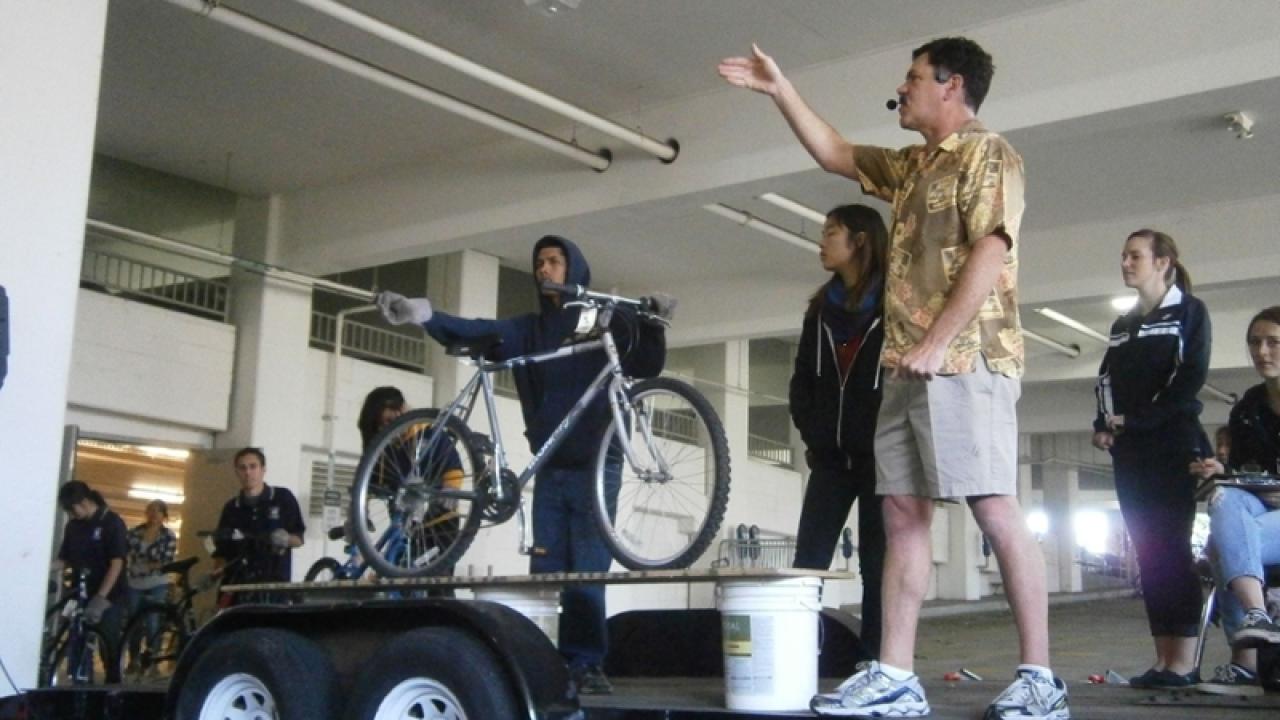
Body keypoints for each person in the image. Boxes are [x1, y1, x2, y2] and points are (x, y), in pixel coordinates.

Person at [720, 36, 1069, 719]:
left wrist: (940, 342)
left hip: (967, 360)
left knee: (993, 506)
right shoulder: (912, 167)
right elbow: (835, 153)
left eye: (913, 78)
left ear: (952, 84)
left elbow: (992, 249)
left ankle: (1041, 679)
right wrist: (779, 88)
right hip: (907, 366)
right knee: (901, 513)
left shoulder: (988, 154)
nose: (902, 88)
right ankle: (894, 675)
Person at [376, 235, 668, 695]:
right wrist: (427, 315)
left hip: (599, 462)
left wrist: (652, 322)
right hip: (550, 465)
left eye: (554, 261)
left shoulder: (601, 318)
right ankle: (544, 663)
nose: (544, 269)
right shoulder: (530, 329)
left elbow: (647, 363)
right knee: (546, 573)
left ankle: (587, 664)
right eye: (539, 263)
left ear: (574, 268)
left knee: (588, 570)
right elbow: (477, 329)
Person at [1091, 229, 1212, 688]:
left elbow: (1189, 378)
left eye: (1135, 255)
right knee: (1147, 552)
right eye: (1123, 255)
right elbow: (1106, 378)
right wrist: (1103, 425)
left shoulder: (1189, 312)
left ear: (1163, 262)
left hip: (1171, 444)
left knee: (1171, 548)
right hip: (1131, 451)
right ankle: (1163, 661)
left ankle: (1184, 661)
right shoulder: (1123, 324)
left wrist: (1136, 422)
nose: (1125, 262)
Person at [789, 203, 888, 658]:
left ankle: (874, 662)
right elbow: (801, 382)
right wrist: (816, 436)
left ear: (860, 241)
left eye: (831, 232)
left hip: (881, 462)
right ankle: (796, 653)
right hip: (829, 460)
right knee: (808, 562)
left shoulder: (894, 306)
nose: (821, 242)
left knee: (878, 566)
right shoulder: (819, 311)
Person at [1189, 306, 1280, 695]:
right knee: (1224, 498)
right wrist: (1219, 473)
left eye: (1273, 342)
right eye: (1254, 342)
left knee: (1223, 546)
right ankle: (1257, 614)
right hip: (1263, 513)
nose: (1262, 351)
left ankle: (1244, 664)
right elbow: (1245, 477)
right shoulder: (1248, 408)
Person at [356, 385, 461, 593]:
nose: (386, 430)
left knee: (437, 584)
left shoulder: (428, 432)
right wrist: (358, 513)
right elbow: (368, 483)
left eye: (389, 422)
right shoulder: (387, 449)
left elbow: (452, 465)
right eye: (381, 426)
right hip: (406, 530)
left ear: (402, 410)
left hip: (440, 523)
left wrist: (451, 488)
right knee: (399, 582)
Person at [54, 480, 128, 683]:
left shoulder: (111, 523)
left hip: (108, 594)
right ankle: (80, 683)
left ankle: (113, 685)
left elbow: (116, 564)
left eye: (72, 509)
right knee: (77, 643)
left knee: (108, 643)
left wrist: (101, 598)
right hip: (81, 591)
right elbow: (64, 559)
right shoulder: (74, 526)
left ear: (84, 502)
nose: (71, 513)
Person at [211, 447, 305, 603]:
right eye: (243, 468)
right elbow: (222, 552)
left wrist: (285, 539)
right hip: (237, 588)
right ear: (237, 472)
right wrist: (214, 574)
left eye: (253, 466)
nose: (248, 472)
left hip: (273, 588)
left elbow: (299, 539)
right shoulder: (231, 508)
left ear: (263, 469)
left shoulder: (283, 498)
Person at [124, 499, 178, 664]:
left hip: (157, 582)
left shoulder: (168, 536)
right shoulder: (133, 533)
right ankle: (133, 659)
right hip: (135, 582)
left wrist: (147, 566)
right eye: (151, 510)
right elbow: (126, 554)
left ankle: (152, 658)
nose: (154, 514)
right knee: (134, 621)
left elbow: (167, 560)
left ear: (164, 516)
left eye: (158, 511)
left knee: (153, 621)